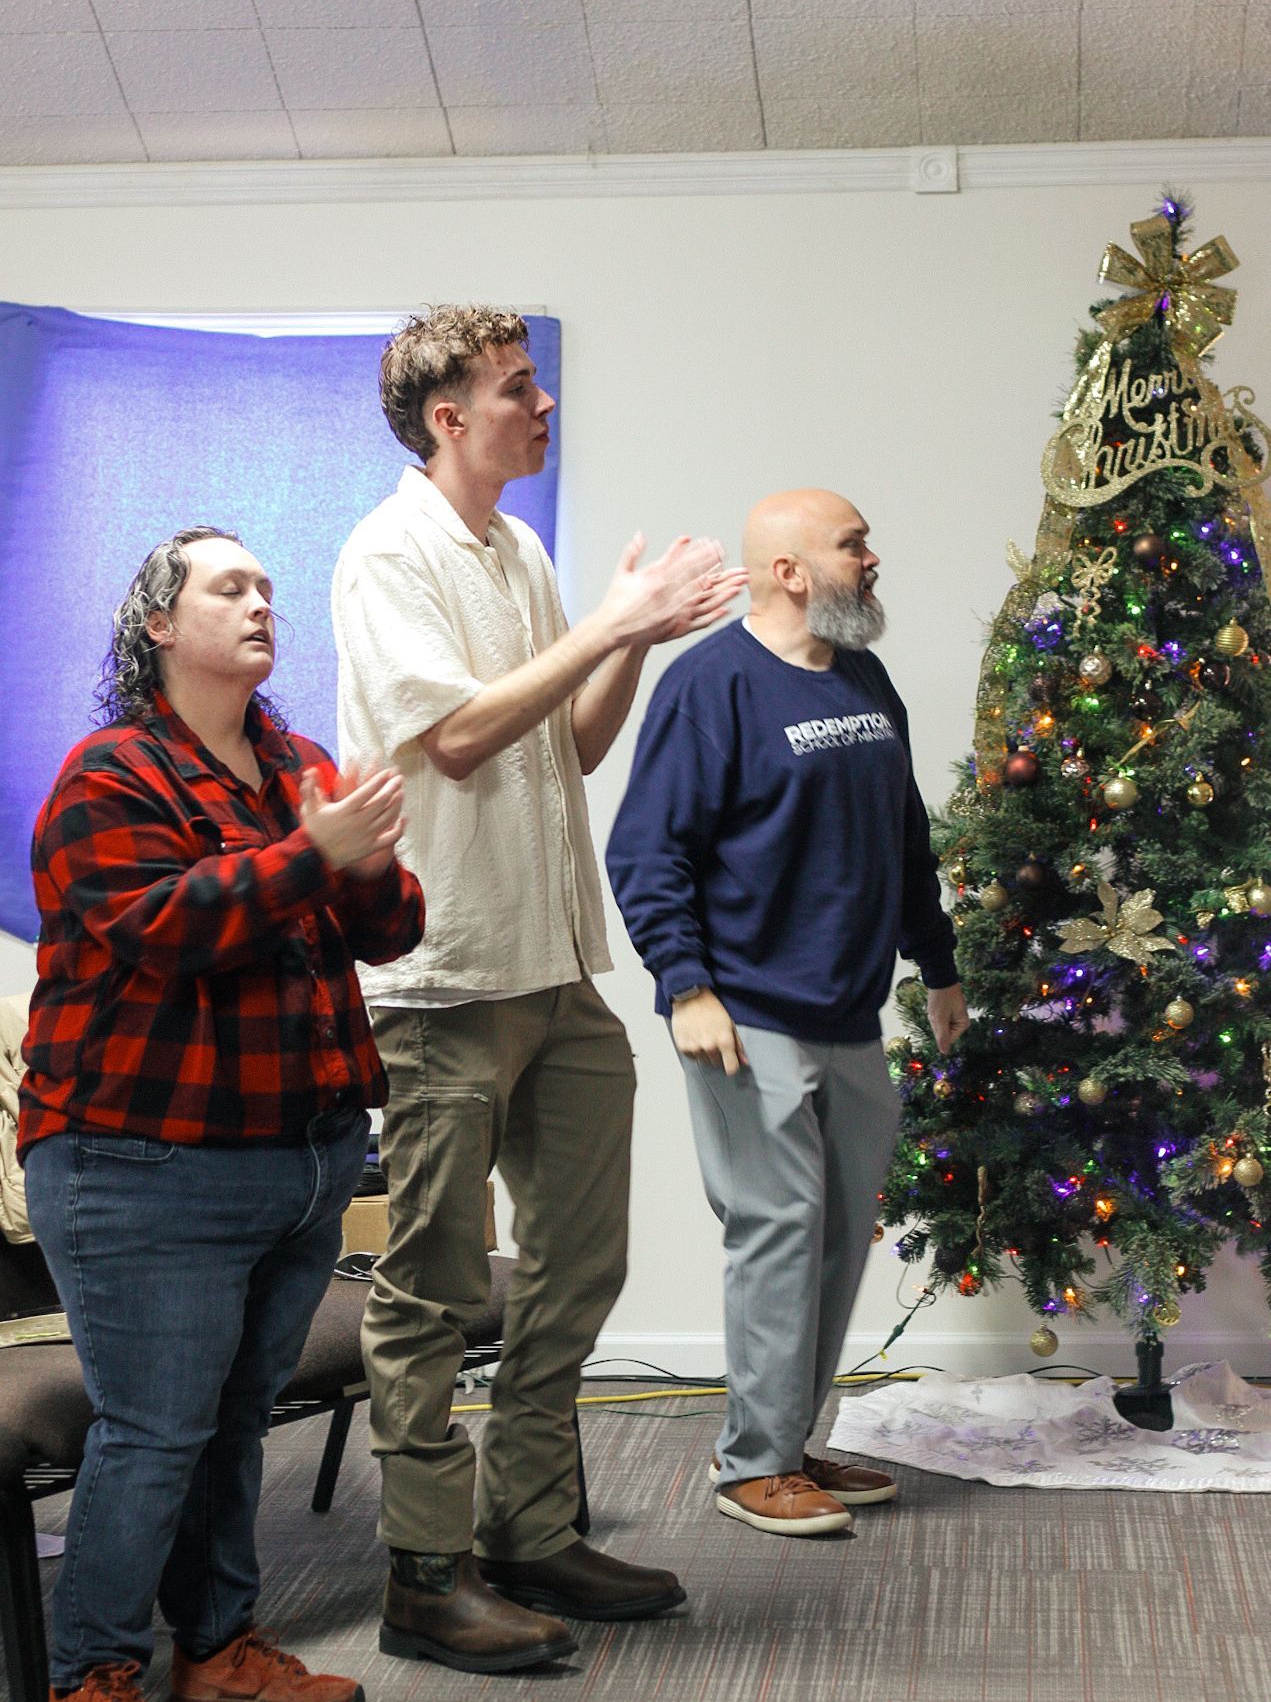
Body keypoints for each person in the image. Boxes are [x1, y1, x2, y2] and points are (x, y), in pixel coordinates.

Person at [332, 305, 746, 1675]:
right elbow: (451, 736)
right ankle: (424, 1573)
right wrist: (614, 617)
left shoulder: (516, 548)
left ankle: (528, 1527)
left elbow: (562, 742)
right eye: (517, 388)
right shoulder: (387, 552)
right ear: (446, 416)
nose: (542, 405)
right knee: (432, 1288)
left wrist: (631, 636)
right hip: (442, 978)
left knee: (578, 1262)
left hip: (554, 964)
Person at [19, 528, 424, 1702]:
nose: (260, 604)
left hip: (299, 1157)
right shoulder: (108, 774)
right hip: (139, 1163)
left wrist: (349, 858)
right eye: (229, 587)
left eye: (266, 589)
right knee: (155, 1431)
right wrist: (315, 851)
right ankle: (88, 1671)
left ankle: (215, 1650)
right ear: (158, 624)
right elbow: (173, 927)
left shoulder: (293, 760)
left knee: (234, 1421)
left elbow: (390, 924)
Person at [606, 489, 969, 1538]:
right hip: (744, 1007)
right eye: (852, 543)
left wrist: (935, 966)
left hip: (847, 1009)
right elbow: (646, 848)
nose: (872, 556)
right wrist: (686, 984)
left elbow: (903, 836)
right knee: (776, 1227)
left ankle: (788, 1439)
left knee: (836, 1233)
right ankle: (750, 1462)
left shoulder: (862, 677)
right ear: (789, 572)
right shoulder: (708, 685)